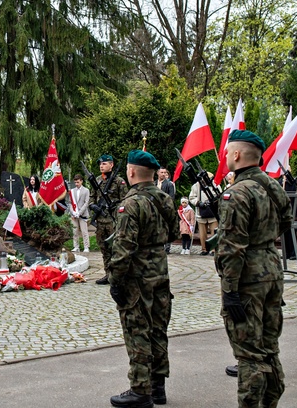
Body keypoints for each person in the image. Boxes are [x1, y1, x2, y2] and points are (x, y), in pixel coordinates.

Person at [216, 129, 291, 408]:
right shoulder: (272, 186)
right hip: (271, 269)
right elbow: (285, 222)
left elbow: (232, 247)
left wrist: (230, 291)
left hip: (248, 277)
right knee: (269, 347)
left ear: (236, 154)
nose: (225, 156)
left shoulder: (237, 193)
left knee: (249, 354)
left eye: (227, 152)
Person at [108, 150, 177, 407]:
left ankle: (140, 389)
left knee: (138, 330)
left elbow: (123, 247)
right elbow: (173, 233)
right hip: (160, 271)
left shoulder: (131, 204)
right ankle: (158, 386)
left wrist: (116, 281)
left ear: (131, 172)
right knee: (158, 329)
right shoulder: (164, 199)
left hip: (137, 276)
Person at [89, 154, 128, 285]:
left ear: (111, 165)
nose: (101, 166)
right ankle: (108, 274)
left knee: (116, 249)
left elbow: (125, 201)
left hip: (113, 220)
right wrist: (93, 205)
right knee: (104, 249)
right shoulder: (97, 180)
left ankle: (117, 275)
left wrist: (115, 207)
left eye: (104, 164)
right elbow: (92, 196)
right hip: (100, 221)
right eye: (100, 164)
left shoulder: (119, 181)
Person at [189, 173, 219, 256]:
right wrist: (198, 203)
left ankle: (214, 249)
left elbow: (219, 195)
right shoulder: (196, 186)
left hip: (213, 213)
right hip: (201, 213)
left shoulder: (215, 184)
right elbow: (191, 197)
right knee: (202, 234)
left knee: (214, 232)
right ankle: (204, 249)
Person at [158, 167, 176, 255]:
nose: (163, 174)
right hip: (155, 210)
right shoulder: (153, 183)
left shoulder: (169, 184)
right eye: (161, 172)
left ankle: (167, 247)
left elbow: (171, 198)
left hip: (165, 209)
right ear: (158, 173)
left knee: (166, 228)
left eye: (165, 172)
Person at [70, 174, 90, 252]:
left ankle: (86, 247)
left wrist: (79, 212)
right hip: (74, 214)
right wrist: (73, 212)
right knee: (75, 231)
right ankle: (76, 246)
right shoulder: (72, 191)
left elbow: (86, 203)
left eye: (78, 182)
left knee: (84, 231)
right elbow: (70, 203)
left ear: (81, 181)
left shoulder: (86, 190)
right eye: (75, 182)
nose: (76, 184)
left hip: (83, 214)